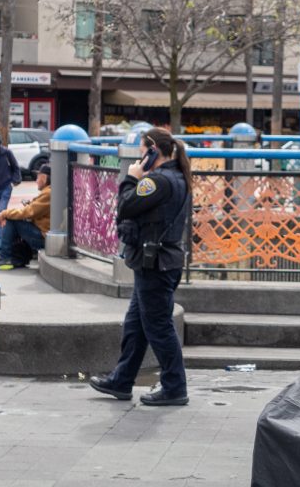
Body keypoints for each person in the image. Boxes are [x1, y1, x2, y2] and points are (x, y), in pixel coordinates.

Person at [89, 127, 192, 406]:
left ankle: (175, 386)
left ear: (153, 151)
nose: (139, 157)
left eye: (142, 151)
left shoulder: (158, 180)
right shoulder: (177, 176)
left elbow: (124, 205)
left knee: (158, 327)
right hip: (157, 261)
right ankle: (122, 380)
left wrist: (131, 178)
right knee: (136, 324)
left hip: (155, 264)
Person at [0, 164, 51, 270]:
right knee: (14, 218)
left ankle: (5, 256)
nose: (36, 180)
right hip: (46, 236)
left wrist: (3, 213)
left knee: (12, 220)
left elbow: (27, 212)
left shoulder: (49, 193)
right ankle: (15, 258)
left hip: (44, 238)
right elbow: (34, 210)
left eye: (38, 177)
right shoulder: (49, 192)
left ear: (44, 178)